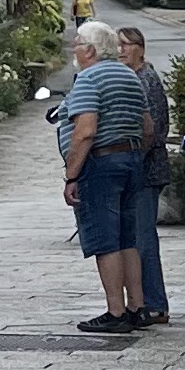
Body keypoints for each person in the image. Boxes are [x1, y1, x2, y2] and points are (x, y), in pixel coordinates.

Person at [61, 28, 152, 337]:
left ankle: (116, 312)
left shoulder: (89, 78)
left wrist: (72, 174)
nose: (74, 50)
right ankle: (137, 307)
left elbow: (86, 130)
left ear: (91, 50)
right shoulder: (131, 77)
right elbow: (147, 128)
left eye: (77, 44)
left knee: (105, 239)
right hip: (132, 159)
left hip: (101, 163)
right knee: (128, 237)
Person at [117, 22, 173, 326]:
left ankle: (154, 303)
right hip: (140, 168)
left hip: (146, 170)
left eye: (126, 45)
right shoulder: (132, 77)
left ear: (140, 49)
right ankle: (143, 301)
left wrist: (132, 161)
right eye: (118, 45)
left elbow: (154, 130)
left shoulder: (146, 80)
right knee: (137, 236)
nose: (121, 50)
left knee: (143, 238)